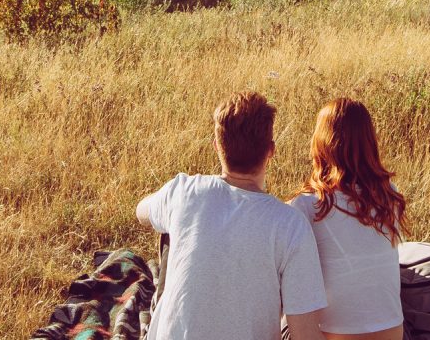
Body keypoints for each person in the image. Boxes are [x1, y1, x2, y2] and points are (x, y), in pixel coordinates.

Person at [136, 92, 327, 340]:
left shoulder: (183, 191)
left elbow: (142, 211)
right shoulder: (290, 225)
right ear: (271, 151)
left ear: (217, 145)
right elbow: (305, 335)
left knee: (169, 236)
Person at [289, 98, 407, 340]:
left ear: (321, 143)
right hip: (393, 331)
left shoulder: (308, 205)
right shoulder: (388, 196)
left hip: (337, 335)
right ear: (369, 143)